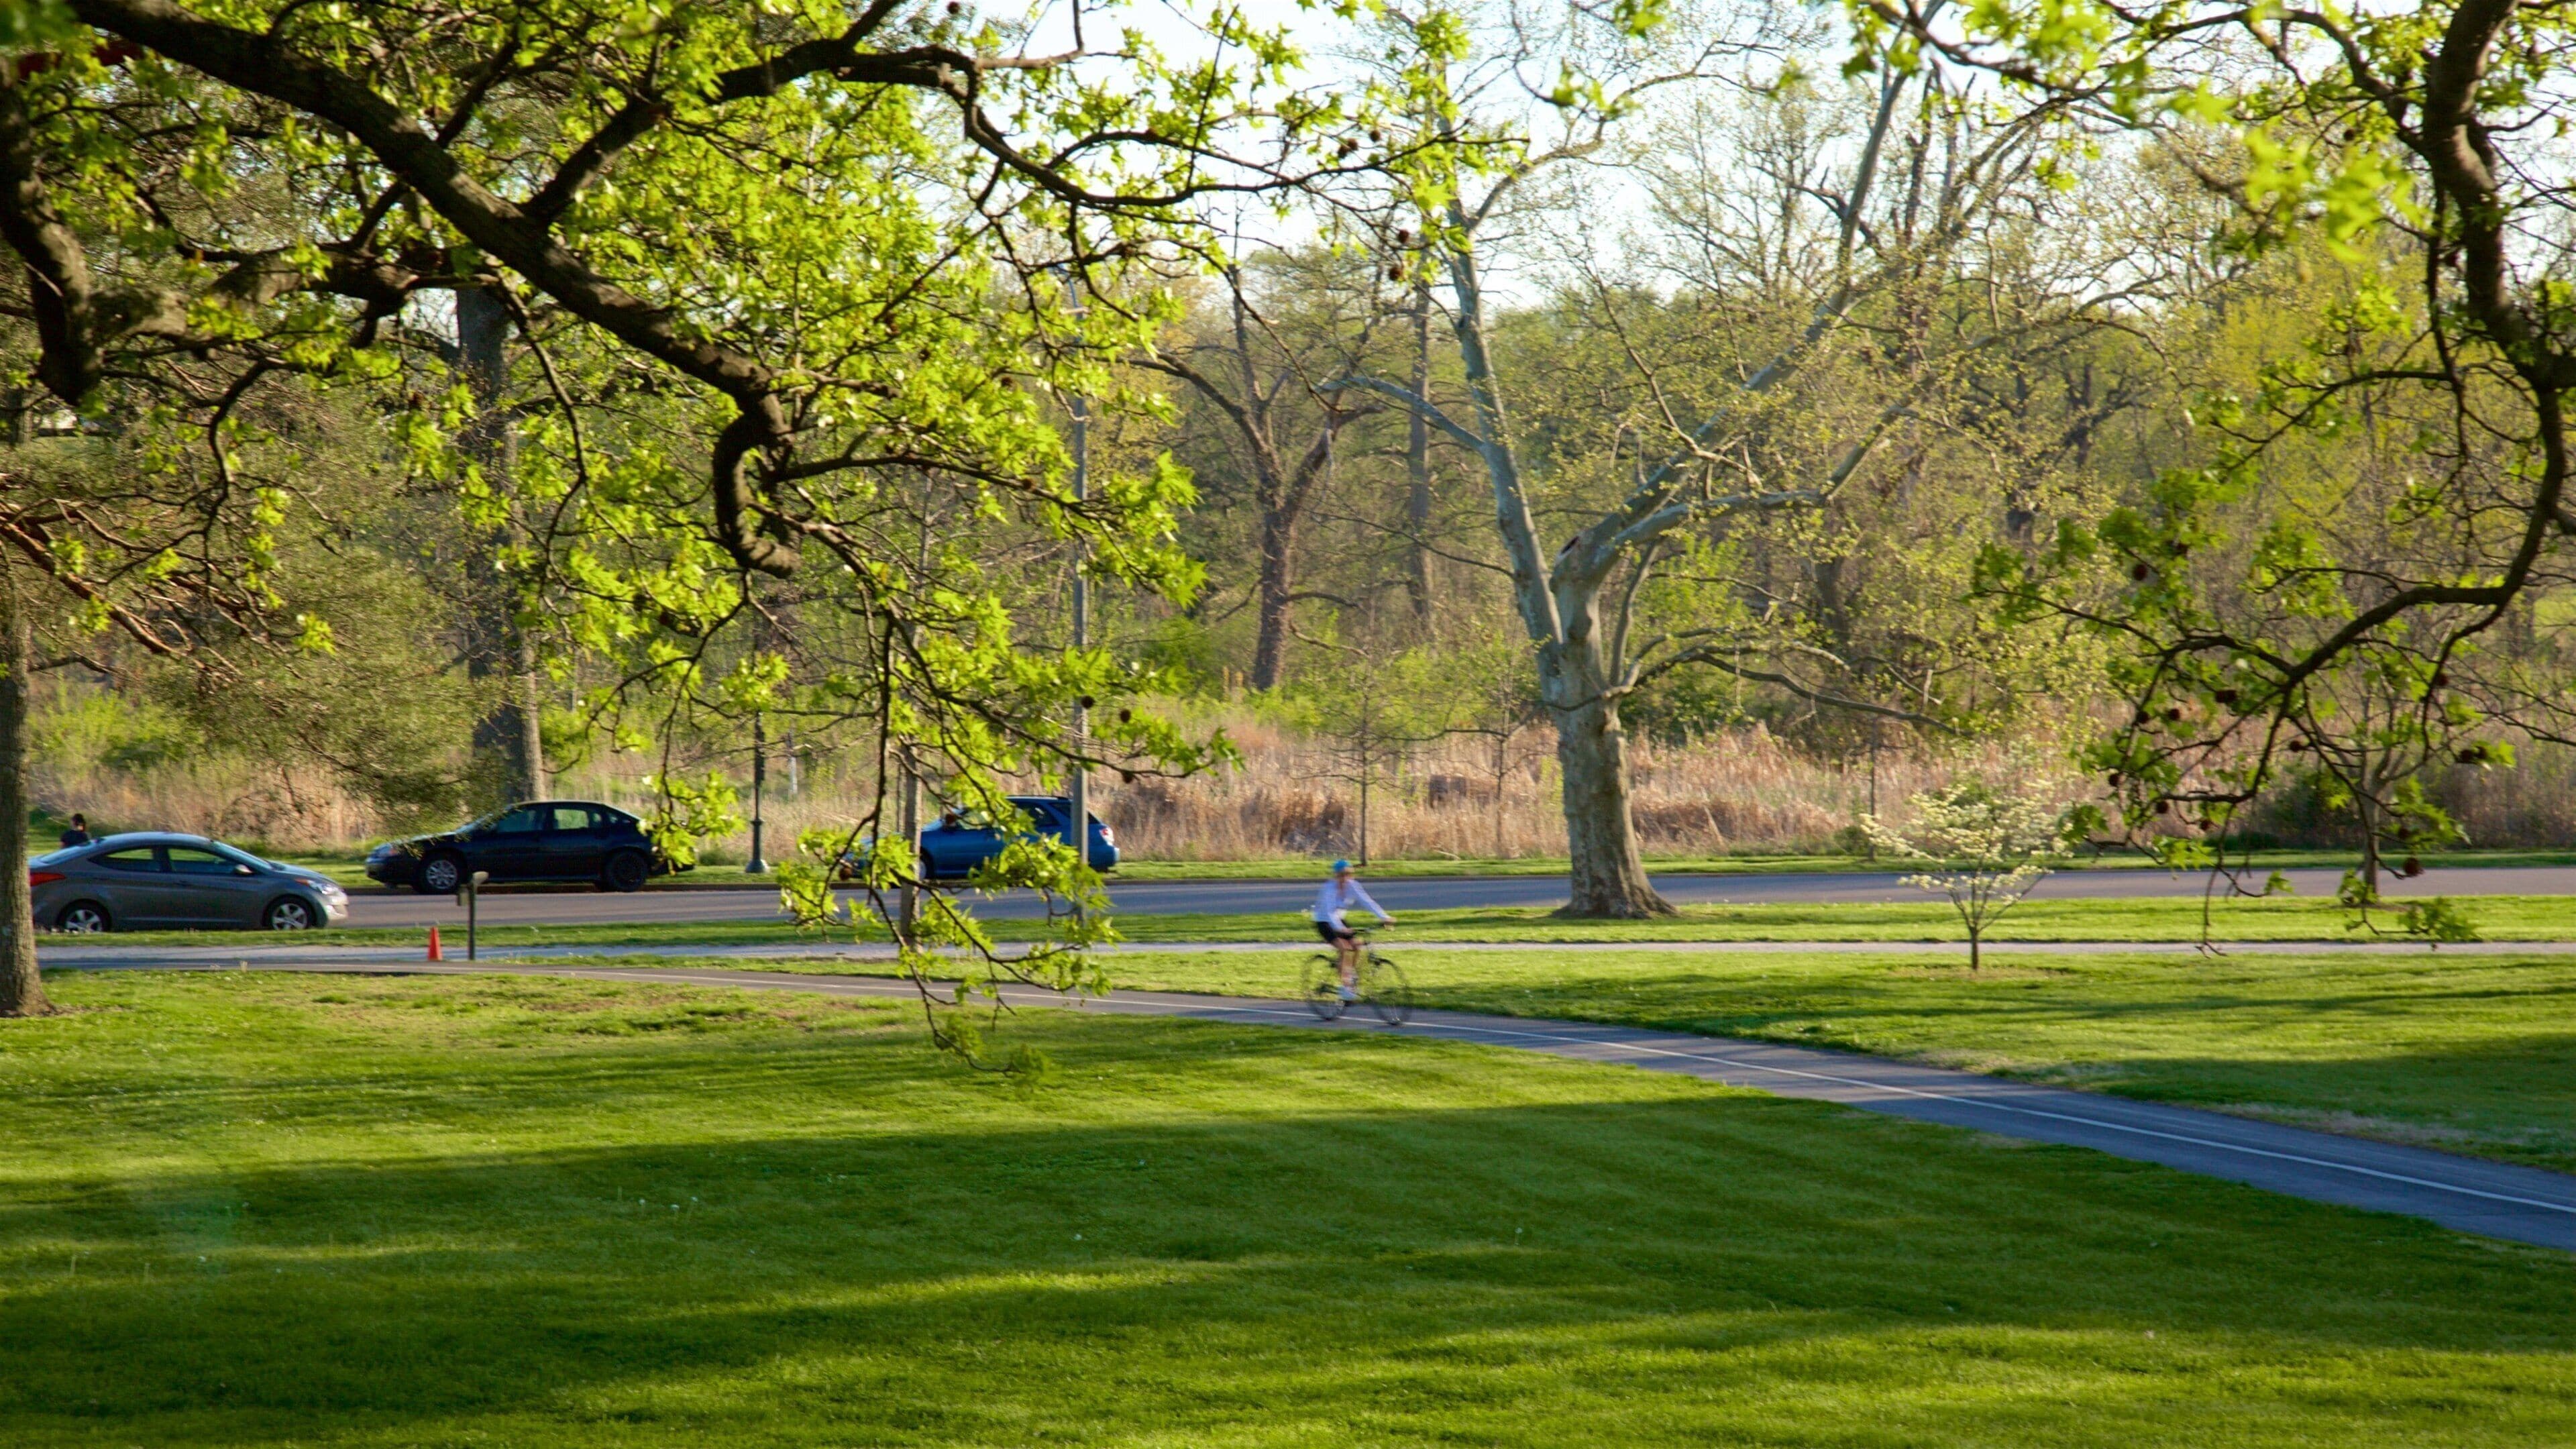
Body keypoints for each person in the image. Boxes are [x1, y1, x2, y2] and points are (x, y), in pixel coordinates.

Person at [1311, 859, 1393, 1001]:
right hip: (1323, 920)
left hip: (1339, 919)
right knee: (1344, 948)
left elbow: (1368, 902)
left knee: (1356, 945)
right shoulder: (1329, 888)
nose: (1345, 878)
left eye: (1349, 874)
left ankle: (1349, 974)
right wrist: (1341, 929)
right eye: (1342, 875)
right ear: (1336, 876)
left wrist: (1384, 917)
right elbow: (1330, 912)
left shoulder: (1353, 886)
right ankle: (1345, 987)